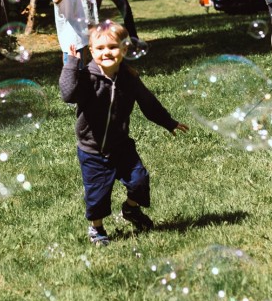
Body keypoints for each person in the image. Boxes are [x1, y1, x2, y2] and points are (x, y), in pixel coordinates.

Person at [59, 20, 188, 246]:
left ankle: (131, 210)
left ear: (124, 49)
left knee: (139, 180)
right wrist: (71, 64)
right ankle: (97, 228)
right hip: (92, 149)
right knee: (97, 193)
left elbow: (149, 103)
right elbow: (68, 95)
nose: (106, 52)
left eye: (112, 47)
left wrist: (167, 121)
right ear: (91, 51)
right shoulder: (87, 78)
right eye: (100, 48)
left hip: (121, 145)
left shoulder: (129, 78)